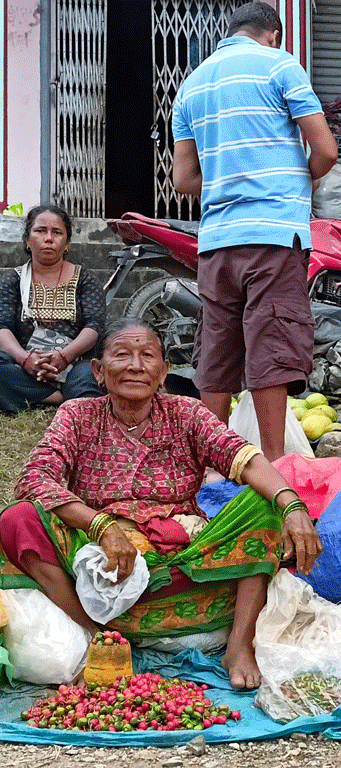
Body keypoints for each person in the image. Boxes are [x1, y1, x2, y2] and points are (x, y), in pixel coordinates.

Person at [0, 318, 322, 689]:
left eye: (147, 355)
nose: (136, 365)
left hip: (181, 561)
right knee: (17, 518)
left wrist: (292, 505)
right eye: (122, 355)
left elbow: (244, 457)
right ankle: (95, 634)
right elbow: (34, 478)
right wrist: (99, 525)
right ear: (99, 372)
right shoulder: (77, 415)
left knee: (264, 504)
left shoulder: (186, 412)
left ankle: (239, 643)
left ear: (164, 371)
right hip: (99, 565)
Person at [171, 1, 337, 462]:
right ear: (274, 35)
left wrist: (229, 177)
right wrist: (301, 176)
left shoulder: (192, 84)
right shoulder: (281, 66)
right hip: (273, 236)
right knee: (273, 345)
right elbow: (325, 149)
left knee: (217, 352)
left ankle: (211, 466)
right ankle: (275, 465)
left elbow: (183, 181)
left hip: (217, 243)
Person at [0, 204, 104, 413]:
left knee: (89, 377)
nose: (49, 238)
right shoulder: (13, 279)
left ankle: (36, 396)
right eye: (40, 231)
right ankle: (59, 397)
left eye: (57, 232)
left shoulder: (85, 279)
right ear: (28, 241)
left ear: (67, 244)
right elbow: (2, 326)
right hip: (23, 365)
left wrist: (64, 357)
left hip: (74, 363)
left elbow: (95, 326)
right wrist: (25, 359)